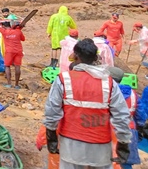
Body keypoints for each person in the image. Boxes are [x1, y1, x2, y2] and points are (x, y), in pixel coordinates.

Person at [43, 38, 132, 169]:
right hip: (100, 146)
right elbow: (121, 116)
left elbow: (52, 112)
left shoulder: (64, 79)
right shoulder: (108, 82)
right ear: (95, 57)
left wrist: (51, 138)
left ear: (76, 57)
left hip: (70, 144)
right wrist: (123, 143)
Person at [107, 67, 142, 169]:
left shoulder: (105, 91)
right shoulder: (132, 93)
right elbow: (140, 114)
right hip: (128, 129)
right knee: (125, 162)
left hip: (107, 129)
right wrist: (139, 127)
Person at [1, 20, 25, 89]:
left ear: (4, 26)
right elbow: (23, 39)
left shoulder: (4, 32)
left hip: (9, 51)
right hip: (18, 51)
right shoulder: (18, 31)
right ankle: (16, 85)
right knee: (17, 66)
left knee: (7, 66)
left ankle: (9, 84)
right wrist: (18, 28)